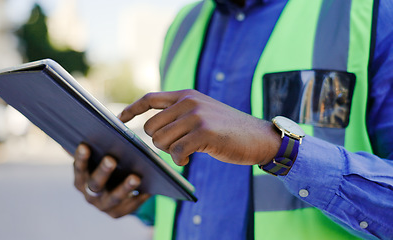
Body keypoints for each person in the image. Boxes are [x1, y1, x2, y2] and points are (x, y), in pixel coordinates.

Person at [73, 0, 393, 239]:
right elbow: (200, 197)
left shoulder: (372, 14)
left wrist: (278, 149)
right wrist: (132, 192)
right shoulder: (185, 25)